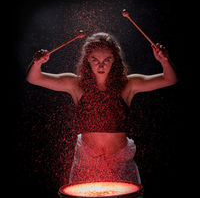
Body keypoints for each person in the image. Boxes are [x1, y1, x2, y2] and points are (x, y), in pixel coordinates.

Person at [26, 32, 178, 184]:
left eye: (107, 60)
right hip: (86, 163)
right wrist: (37, 63)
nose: (101, 65)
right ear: (87, 61)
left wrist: (164, 61)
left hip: (121, 162)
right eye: (95, 60)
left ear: (115, 61)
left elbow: (170, 79)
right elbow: (34, 78)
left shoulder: (128, 84)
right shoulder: (75, 84)